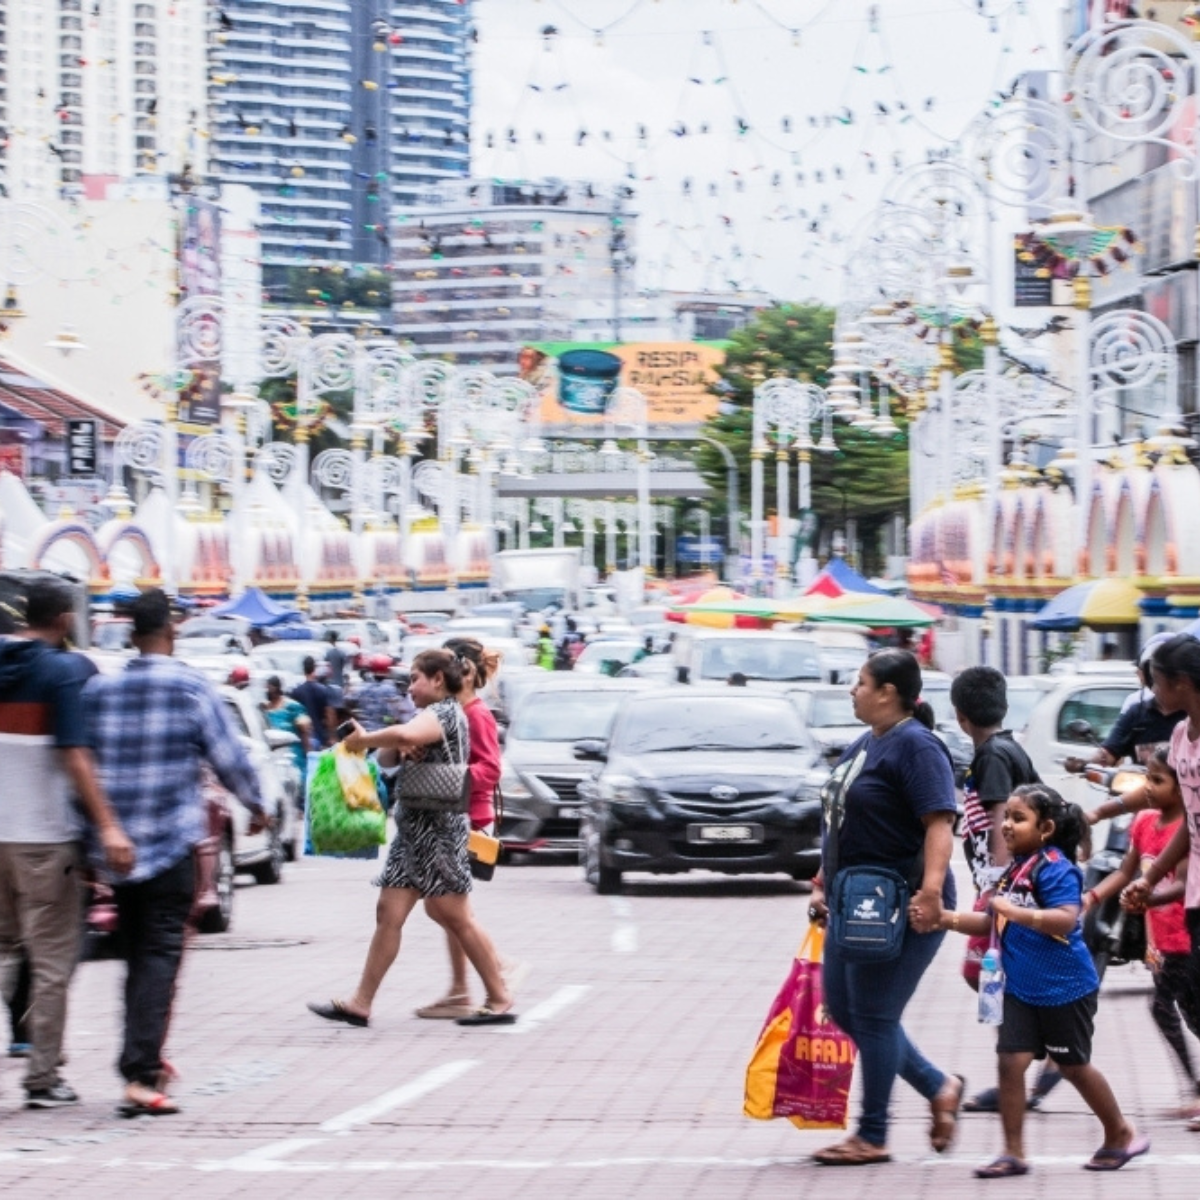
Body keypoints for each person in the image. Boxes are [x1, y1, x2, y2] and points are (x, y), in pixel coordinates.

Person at [85, 588, 268, 1117]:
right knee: (159, 954)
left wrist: (92, 837)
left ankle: (145, 1057)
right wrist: (257, 805)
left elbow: (81, 768)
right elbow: (229, 756)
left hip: (118, 849)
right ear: (171, 629)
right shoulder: (190, 686)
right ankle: (141, 1073)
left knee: (137, 953)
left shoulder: (101, 691)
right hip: (170, 845)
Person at [940, 784, 1148, 1177]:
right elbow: (990, 921)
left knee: (1073, 1066)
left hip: (1064, 989)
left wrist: (1017, 914)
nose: (1006, 826)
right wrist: (942, 918)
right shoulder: (1015, 869)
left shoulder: (1055, 867)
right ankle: (1013, 1152)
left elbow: (1067, 918)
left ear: (1046, 827)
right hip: (1020, 987)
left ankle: (1119, 1132)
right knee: (1009, 1062)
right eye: (1007, 817)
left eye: (1018, 819)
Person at [807, 649, 963, 1166]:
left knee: (874, 1013)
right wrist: (822, 881)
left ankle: (873, 1133)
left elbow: (940, 823)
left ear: (888, 693)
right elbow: (840, 818)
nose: (853, 690)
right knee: (847, 1008)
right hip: (854, 900)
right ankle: (938, 1086)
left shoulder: (917, 746)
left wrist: (932, 893)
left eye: (861, 682)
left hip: (903, 902)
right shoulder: (865, 744)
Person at [307, 649, 516, 1028]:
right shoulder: (425, 716)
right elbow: (389, 757)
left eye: (416, 679)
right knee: (388, 913)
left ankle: (500, 997)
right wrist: (393, 743)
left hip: (439, 832)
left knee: (456, 916)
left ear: (438, 679)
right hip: (412, 834)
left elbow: (402, 735)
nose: (410, 689)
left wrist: (367, 738)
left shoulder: (447, 712)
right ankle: (361, 1002)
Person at [0, 577, 135, 1109]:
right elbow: (75, 755)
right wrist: (107, 825)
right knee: (51, 961)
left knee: (4, 951)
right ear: (63, 619)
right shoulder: (61, 672)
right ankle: (42, 1077)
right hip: (45, 839)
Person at [949, 666, 1058, 1114]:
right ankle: (1033, 1059)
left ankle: (1027, 1056)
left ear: (959, 716)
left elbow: (1000, 816)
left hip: (1005, 885)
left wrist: (996, 884)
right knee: (997, 975)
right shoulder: (1005, 748)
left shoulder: (993, 756)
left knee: (984, 972)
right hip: (1013, 882)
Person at [1085, 746, 1200, 1115]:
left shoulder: (1185, 832)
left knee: (1163, 1007)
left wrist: (1146, 900)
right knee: (1189, 1013)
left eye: (1157, 779)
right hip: (1161, 939)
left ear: (1183, 787)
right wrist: (1093, 898)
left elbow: (1182, 884)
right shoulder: (1144, 823)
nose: (1148, 786)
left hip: (1186, 937)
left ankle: (1196, 1090)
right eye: (1147, 777)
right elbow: (1124, 871)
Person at [415, 637, 524, 1019]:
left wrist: (446, 778)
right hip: (454, 813)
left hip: (471, 817)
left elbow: (490, 770)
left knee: (448, 908)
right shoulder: (452, 711)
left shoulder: (476, 714)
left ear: (458, 669)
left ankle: (496, 968)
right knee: (446, 908)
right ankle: (461, 989)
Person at [1125, 633, 1200, 1131]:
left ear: (1181, 682)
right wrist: (1150, 876)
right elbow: (1191, 829)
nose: (1153, 695)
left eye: (1156, 683)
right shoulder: (1178, 739)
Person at [1065, 634, 1183, 774]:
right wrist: (1085, 763)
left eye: (1170, 676)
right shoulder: (1136, 713)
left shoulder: (1193, 716)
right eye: (1155, 675)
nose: (1162, 683)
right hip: (1142, 790)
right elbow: (1109, 752)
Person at [262, 674, 312, 783]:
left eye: (268, 688)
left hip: (292, 755)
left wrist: (308, 753)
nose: (266, 691)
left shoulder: (292, 707)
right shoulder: (264, 708)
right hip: (272, 757)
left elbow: (304, 730)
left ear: (276, 689)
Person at [351, 655, 415, 732]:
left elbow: (350, 703)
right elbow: (396, 712)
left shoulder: (363, 687)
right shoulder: (390, 689)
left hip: (362, 731)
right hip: (382, 733)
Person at [292, 655, 336, 748]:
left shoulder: (296, 692)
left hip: (304, 739)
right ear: (314, 668)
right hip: (320, 736)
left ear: (303, 669)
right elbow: (329, 714)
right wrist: (331, 736)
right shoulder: (323, 690)